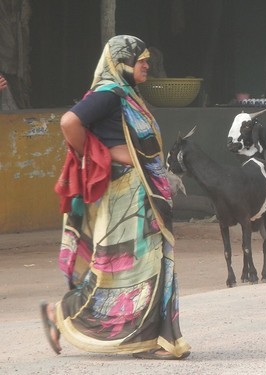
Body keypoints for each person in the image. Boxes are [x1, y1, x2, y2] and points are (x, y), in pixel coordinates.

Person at [40, 35, 191, 360]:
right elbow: (69, 122)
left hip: (145, 196)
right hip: (126, 199)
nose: (147, 65)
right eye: (141, 60)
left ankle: (153, 339)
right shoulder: (109, 94)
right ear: (121, 62)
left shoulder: (129, 95)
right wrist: (100, 155)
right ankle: (59, 312)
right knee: (120, 271)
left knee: (153, 267)